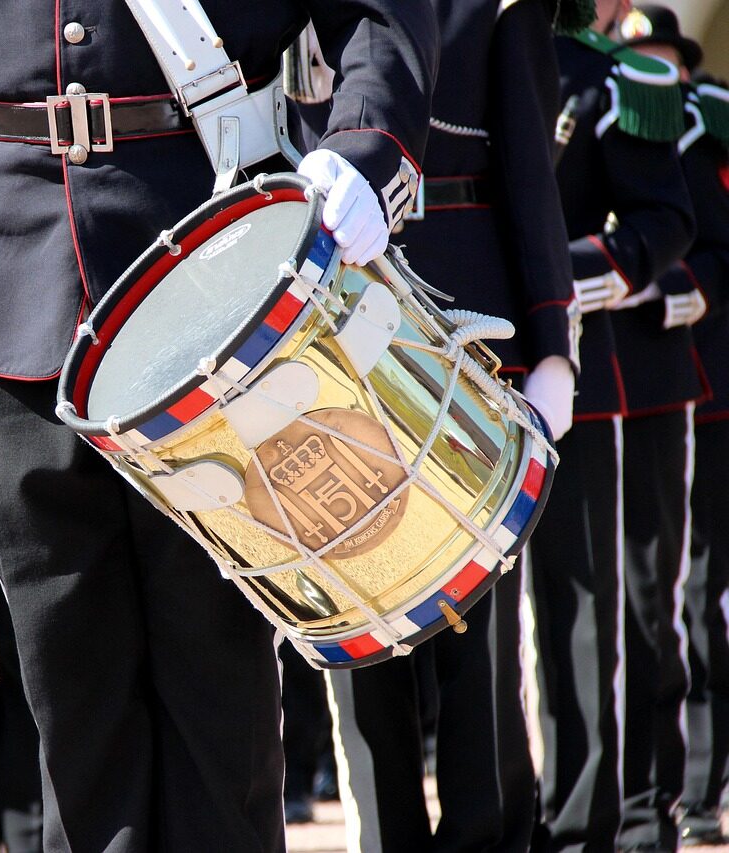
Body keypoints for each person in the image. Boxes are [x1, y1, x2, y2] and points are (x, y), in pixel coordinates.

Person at [0, 1, 437, 849]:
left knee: (220, 692)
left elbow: (380, 17)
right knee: (71, 706)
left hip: (213, 264)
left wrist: (366, 144)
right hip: (5, 280)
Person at [291, 0, 582, 849]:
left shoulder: (494, 9)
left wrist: (550, 341)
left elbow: (528, 172)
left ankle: (485, 831)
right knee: (348, 589)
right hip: (322, 315)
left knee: (473, 608)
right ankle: (385, 835)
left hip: (463, 318)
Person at [533, 1, 695, 849]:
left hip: (586, 369)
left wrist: (566, 276)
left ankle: (610, 812)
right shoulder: (459, 61)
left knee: (603, 604)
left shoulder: (620, 81)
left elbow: (664, 221)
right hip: (470, 367)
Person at [620, 8, 729, 845]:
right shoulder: (603, 104)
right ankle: (645, 792)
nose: (654, 66)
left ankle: (693, 791)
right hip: (624, 379)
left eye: (664, 55)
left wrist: (694, 290)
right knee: (631, 601)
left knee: (689, 593)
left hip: (692, 377)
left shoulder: (705, 124)